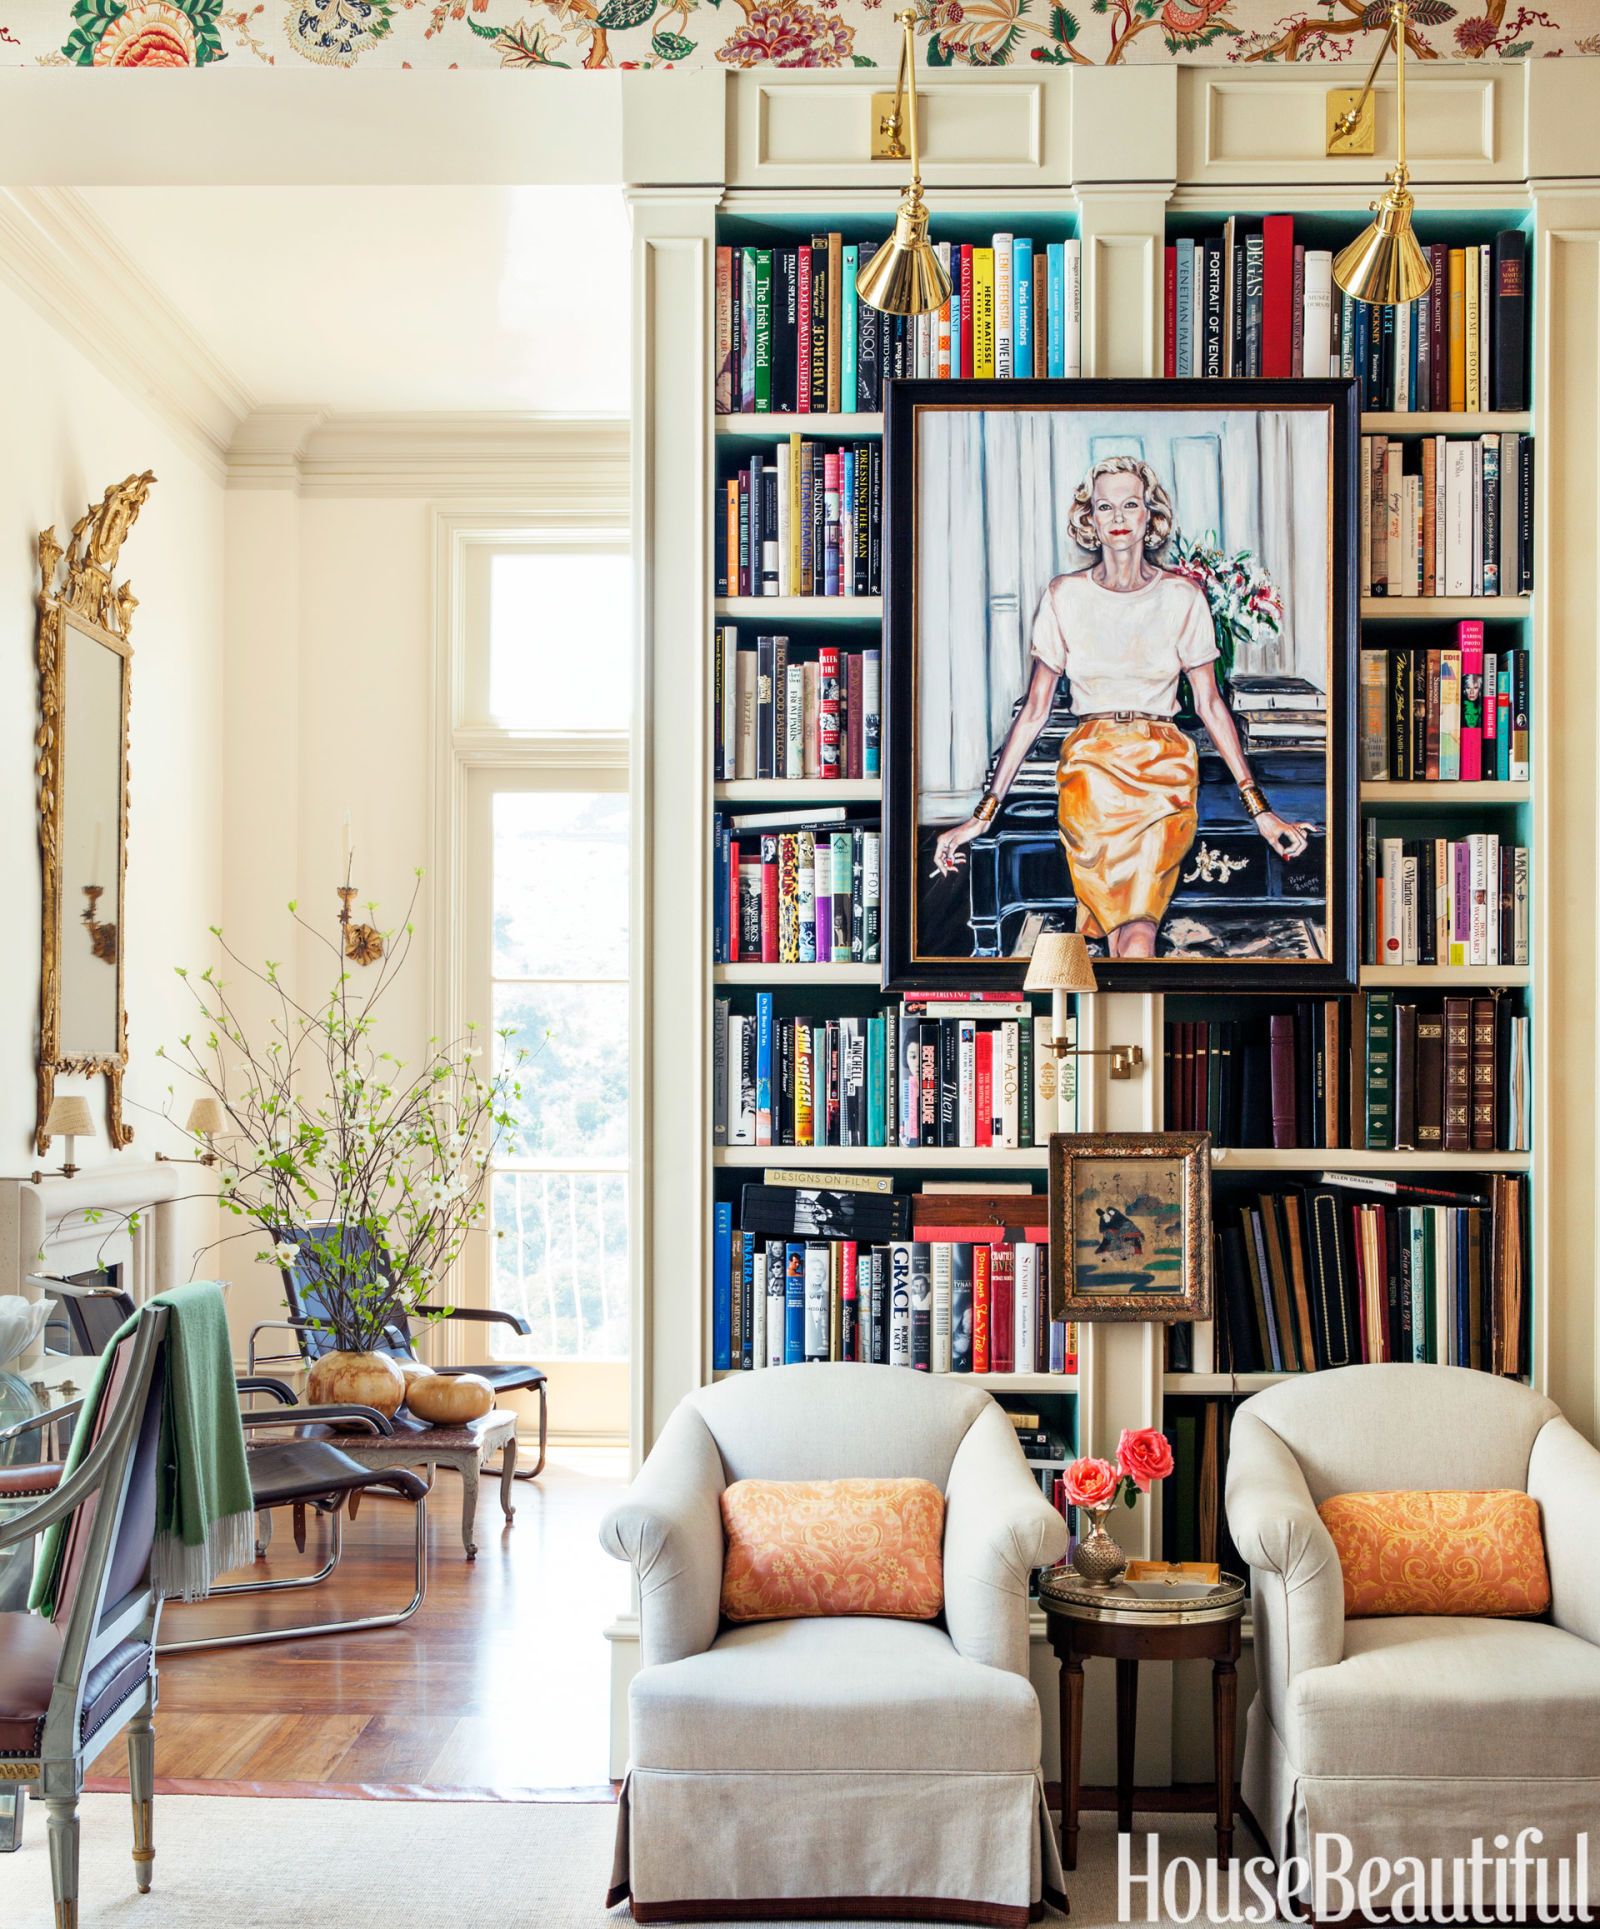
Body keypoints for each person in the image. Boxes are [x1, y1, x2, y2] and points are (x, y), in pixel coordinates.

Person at [933, 455, 1310, 960]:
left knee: (1136, 934)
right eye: (1104, 505)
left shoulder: (1183, 596)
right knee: (1124, 937)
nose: (1117, 517)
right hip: (1089, 772)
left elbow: (1211, 706)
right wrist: (982, 814)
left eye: (1130, 504)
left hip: (1165, 771)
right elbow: (1035, 711)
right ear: (1088, 518)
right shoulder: (1064, 596)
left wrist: (1260, 810)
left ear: (1149, 516)